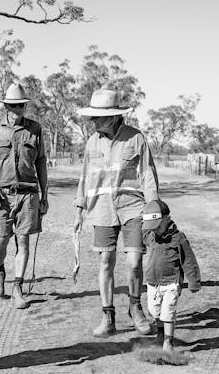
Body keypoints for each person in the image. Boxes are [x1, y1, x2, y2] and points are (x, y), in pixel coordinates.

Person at [74, 89, 159, 337]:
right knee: (105, 262)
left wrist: (154, 207)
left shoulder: (136, 139)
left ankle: (135, 308)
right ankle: (108, 316)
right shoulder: (92, 142)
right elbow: (84, 176)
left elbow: (147, 174)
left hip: (133, 207)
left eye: (97, 117)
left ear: (113, 117)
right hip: (101, 208)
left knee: (134, 262)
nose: (93, 121)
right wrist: (79, 208)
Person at [0, 83, 48, 309]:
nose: (16, 109)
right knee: (0, 240)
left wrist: (44, 195)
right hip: (1, 195)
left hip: (28, 194)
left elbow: (41, 163)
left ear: (24, 106)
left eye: (20, 105)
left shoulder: (35, 129)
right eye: (12, 105)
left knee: (23, 240)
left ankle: (18, 286)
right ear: (5, 106)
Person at [142, 200, 201, 350]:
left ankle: (168, 342)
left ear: (167, 218)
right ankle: (161, 335)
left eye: (157, 226)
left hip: (171, 283)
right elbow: (142, 234)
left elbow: (189, 260)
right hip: (152, 282)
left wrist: (194, 281)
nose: (155, 230)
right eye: (152, 227)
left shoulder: (178, 238)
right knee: (154, 310)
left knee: (167, 313)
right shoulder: (151, 235)